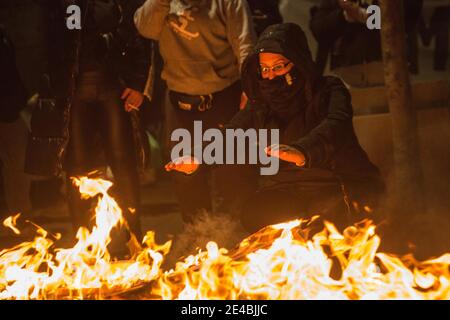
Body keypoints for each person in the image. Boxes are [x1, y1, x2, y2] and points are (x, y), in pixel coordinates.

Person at [167, 23, 385, 233]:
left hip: (339, 182)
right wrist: (199, 156)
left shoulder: (329, 89)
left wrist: (302, 152)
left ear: (297, 63)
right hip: (289, 187)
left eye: (278, 67)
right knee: (257, 212)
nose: (271, 76)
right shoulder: (262, 103)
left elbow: (336, 125)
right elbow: (233, 132)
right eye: (264, 69)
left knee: (326, 221)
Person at [26, 0, 153, 253]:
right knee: (77, 169)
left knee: (123, 164)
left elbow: (137, 33)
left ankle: (133, 240)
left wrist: (139, 83)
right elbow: (55, 37)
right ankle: (85, 245)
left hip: (113, 85)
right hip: (75, 89)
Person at [134, 0, 257, 223]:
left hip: (223, 97)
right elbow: (144, 28)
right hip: (179, 99)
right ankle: (198, 241)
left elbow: (245, 44)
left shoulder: (229, 3)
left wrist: (250, 89)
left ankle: (241, 237)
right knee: (186, 176)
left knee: (232, 175)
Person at [310, 0, 423, 83]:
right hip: (346, 75)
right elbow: (319, 28)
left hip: (391, 74)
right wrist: (343, 16)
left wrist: (365, 16)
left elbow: (406, 19)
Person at [0, 26, 32, 216]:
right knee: (16, 165)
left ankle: (20, 215)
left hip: (11, 108)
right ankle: (20, 215)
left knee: (17, 165)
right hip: (8, 108)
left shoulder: (3, 35)